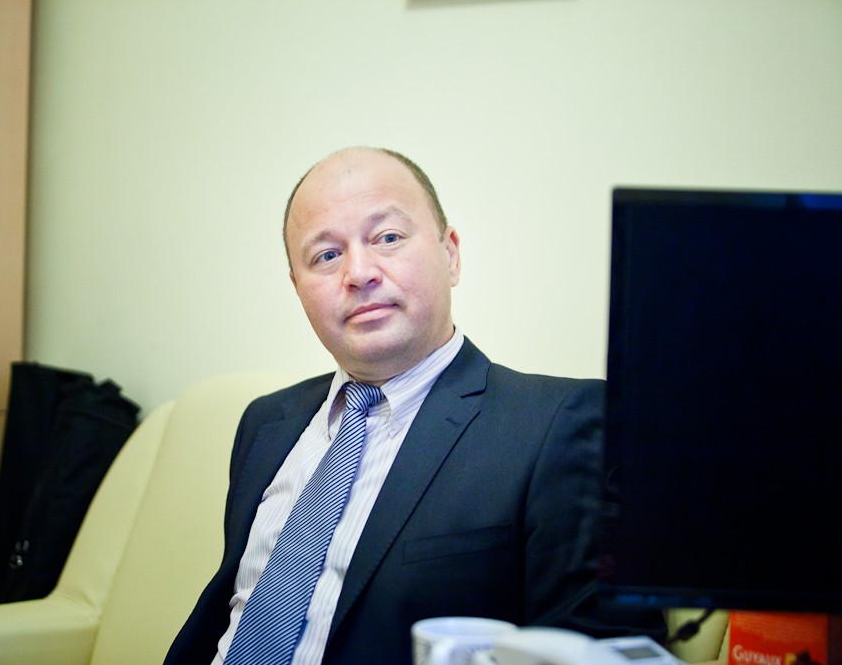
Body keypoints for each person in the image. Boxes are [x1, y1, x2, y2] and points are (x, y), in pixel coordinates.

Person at [164, 146, 665, 664]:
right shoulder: (266, 422)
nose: (359, 272)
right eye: (326, 256)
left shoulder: (564, 422)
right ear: (298, 287)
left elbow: (607, 650)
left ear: (451, 255)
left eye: (388, 237)